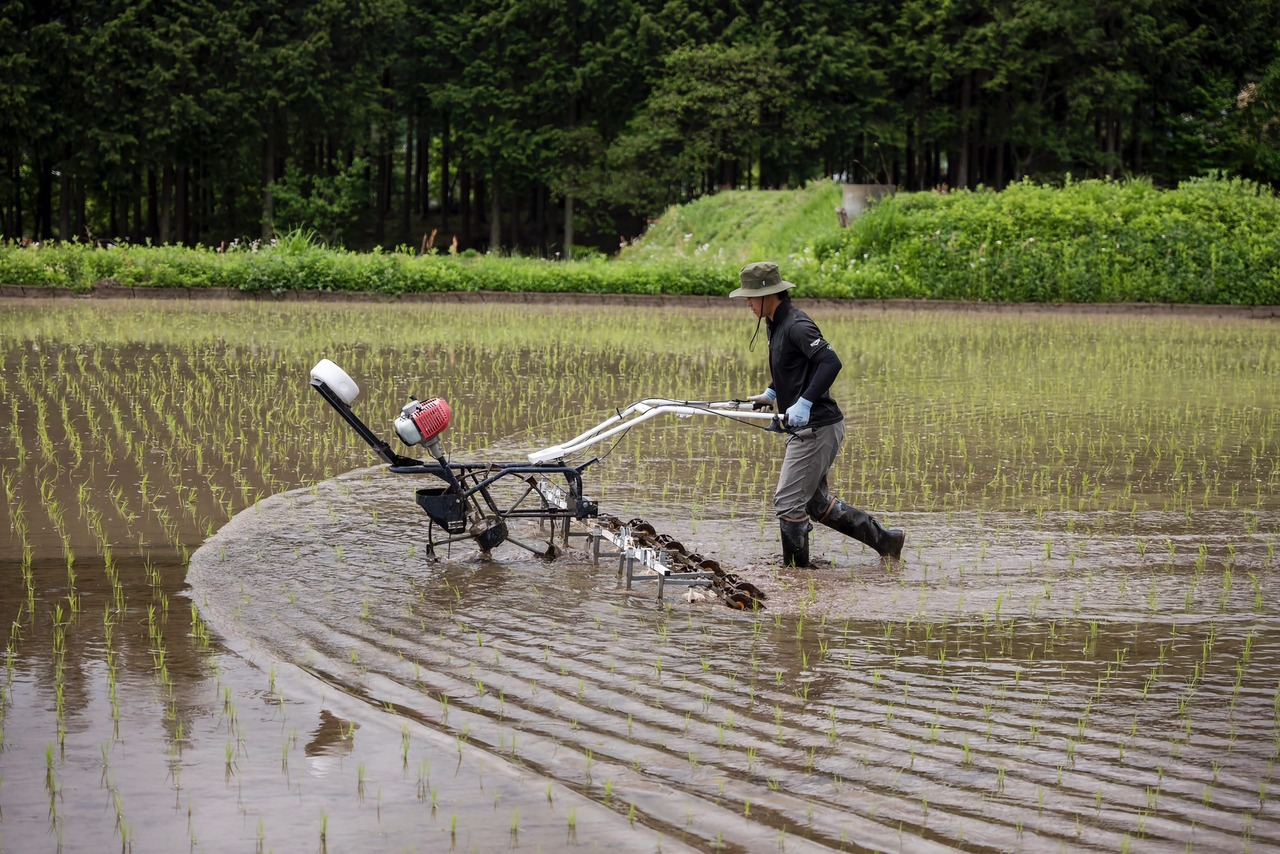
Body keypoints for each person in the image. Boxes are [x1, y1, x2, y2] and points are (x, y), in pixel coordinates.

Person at [730, 261, 905, 567]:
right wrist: (773, 392)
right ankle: (886, 541)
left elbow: (830, 362)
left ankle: (797, 574)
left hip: (816, 428)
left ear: (769, 294)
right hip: (808, 427)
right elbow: (795, 365)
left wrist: (805, 402)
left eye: (750, 297)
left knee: (788, 502)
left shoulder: (796, 325)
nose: (747, 303)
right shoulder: (775, 322)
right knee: (815, 502)